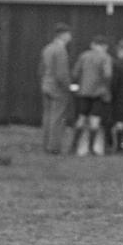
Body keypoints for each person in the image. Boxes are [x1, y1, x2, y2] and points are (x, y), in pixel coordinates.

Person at [70, 35, 113, 155]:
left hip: (83, 92)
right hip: (98, 93)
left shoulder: (84, 56)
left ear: (93, 44)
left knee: (81, 118)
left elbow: (75, 72)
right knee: (95, 119)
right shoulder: (105, 57)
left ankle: (74, 145)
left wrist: (78, 84)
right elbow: (108, 74)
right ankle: (91, 147)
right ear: (105, 46)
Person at [38, 23, 74, 154]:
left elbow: (41, 68)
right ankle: (54, 147)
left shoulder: (47, 48)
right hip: (57, 88)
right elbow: (61, 73)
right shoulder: (61, 50)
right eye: (69, 34)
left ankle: (46, 144)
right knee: (57, 118)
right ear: (63, 35)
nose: (70, 37)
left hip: (46, 85)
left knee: (47, 116)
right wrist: (68, 87)